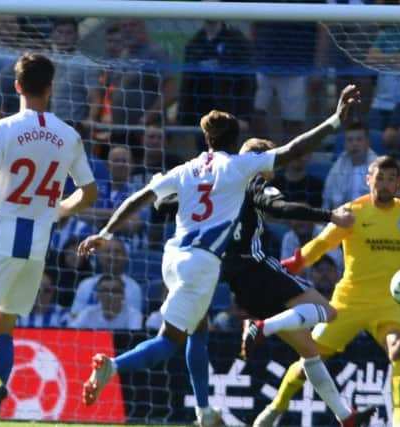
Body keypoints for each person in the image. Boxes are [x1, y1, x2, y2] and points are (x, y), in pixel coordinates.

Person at [76, 85, 361, 412]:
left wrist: (107, 232)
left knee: (198, 330)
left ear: (207, 139)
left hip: (173, 258)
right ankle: (113, 366)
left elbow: (141, 199)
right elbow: (293, 150)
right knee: (169, 341)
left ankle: (203, 411)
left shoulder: (185, 170)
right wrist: (335, 121)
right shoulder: (238, 168)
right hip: (203, 263)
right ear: (236, 144)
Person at [0, 53, 97, 425]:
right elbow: (90, 193)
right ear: (51, 88)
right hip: (37, 244)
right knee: (3, 324)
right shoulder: (69, 135)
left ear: (17, 86)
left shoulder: (3, 128)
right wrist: (59, 210)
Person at [255, 155, 400, 427]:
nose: (386, 184)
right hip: (348, 301)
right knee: (311, 357)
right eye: (380, 178)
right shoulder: (352, 212)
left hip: (387, 304)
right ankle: (275, 408)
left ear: (399, 183)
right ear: (369, 180)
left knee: (399, 348)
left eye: (392, 179)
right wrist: (296, 262)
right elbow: (321, 243)